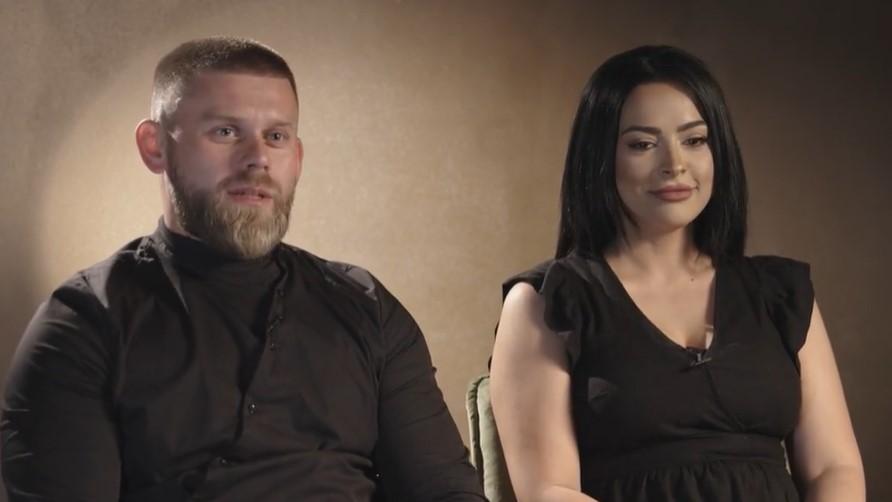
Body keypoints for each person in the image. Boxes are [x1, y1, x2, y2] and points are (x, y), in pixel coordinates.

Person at [1, 37, 485, 502]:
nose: (257, 159)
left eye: (276, 136)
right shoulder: (83, 324)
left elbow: (444, 491)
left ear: (296, 157)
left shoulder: (367, 308)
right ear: (155, 146)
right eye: (226, 132)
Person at [489, 45, 865, 502]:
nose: (675, 164)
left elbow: (834, 468)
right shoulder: (546, 303)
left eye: (695, 140)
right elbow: (549, 490)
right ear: (600, 157)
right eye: (642, 144)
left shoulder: (781, 293)